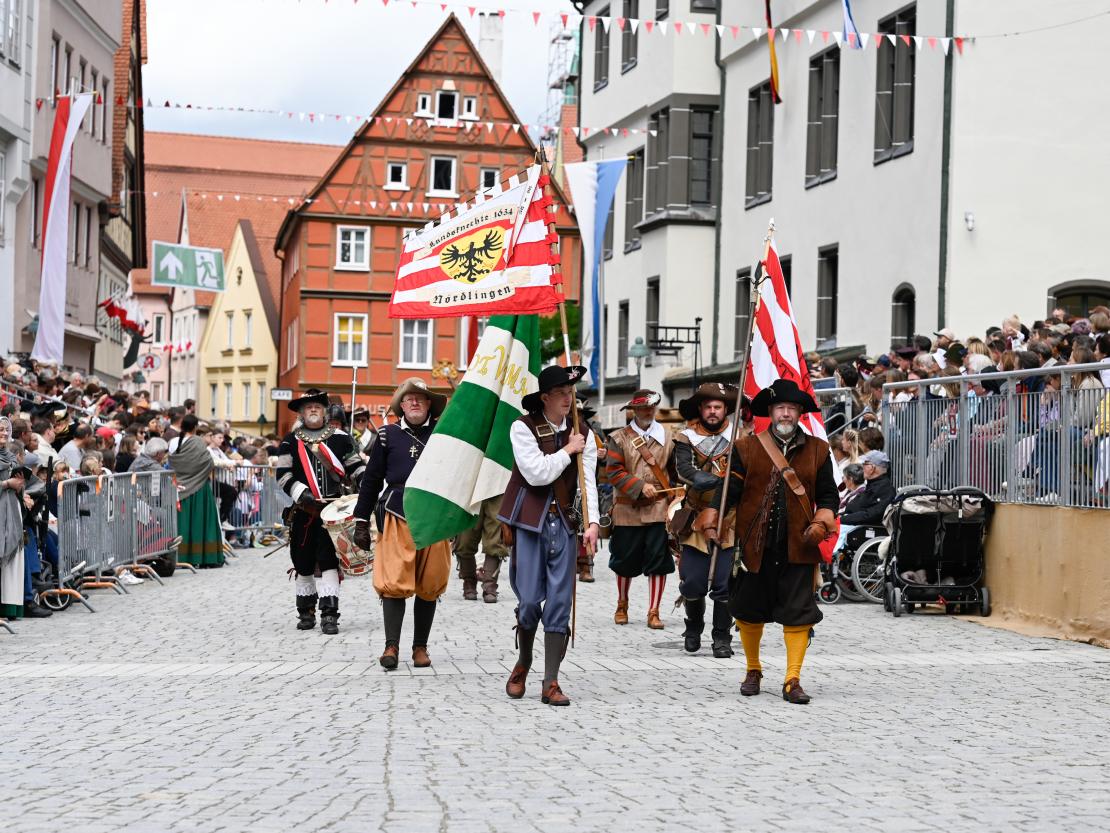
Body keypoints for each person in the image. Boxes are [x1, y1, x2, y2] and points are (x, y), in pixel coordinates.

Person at [695, 379, 839, 705]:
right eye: (780, 408)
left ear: (800, 412)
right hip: (754, 546)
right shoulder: (746, 448)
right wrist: (713, 516)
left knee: (799, 613)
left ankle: (793, 679)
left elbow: (829, 495)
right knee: (748, 611)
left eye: (791, 408)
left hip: (799, 544)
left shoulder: (819, 450)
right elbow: (728, 489)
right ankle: (753, 669)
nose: (785, 413)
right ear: (771, 412)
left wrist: (822, 520)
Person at [499, 365, 599, 707]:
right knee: (528, 601)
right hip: (531, 523)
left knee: (559, 602)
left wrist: (593, 523)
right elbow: (537, 474)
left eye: (571, 393)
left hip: (566, 525)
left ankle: (551, 681)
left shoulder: (583, 431)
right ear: (545, 398)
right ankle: (523, 662)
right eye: (562, 394)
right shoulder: (522, 428)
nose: (568, 399)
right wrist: (568, 450)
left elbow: (588, 483)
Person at [353, 379, 451, 666]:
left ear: (429, 404)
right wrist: (361, 520)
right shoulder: (387, 435)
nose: (416, 403)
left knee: (431, 580)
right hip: (397, 513)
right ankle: (391, 647)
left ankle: (420, 648)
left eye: (421, 398)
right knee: (394, 580)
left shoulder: (444, 435)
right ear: (402, 405)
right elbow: (371, 480)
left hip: (434, 516)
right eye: (410, 399)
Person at [276, 389, 365, 635]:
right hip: (303, 511)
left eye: (317, 405)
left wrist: (366, 481)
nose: (313, 409)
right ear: (301, 413)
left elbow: (355, 466)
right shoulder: (289, 441)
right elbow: (282, 475)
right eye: (308, 406)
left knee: (328, 562)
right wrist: (299, 492)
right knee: (302, 562)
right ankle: (306, 612)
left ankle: (329, 615)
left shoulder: (340, 438)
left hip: (333, 512)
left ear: (324, 411)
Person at [672, 382, 742, 658]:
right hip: (697, 516)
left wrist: (731, 484)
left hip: (730, 517)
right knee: (693, 582)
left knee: (725, 582)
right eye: (708, 407)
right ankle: (693, 627)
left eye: (718, 407)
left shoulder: (740, 437)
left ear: (726, 409)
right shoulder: (686, 437)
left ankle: (721, 637)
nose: (713, 412)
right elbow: (684, 470)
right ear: (700, 409)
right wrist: (716, 480)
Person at [604, 389, 675, 630]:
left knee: (659, 561)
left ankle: (654, 611)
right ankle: (622, 604)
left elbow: (674, 473)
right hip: (627, 510)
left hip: (658, 510)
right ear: (633, 410)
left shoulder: (668, 436)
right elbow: (613, 471)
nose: (647, 411)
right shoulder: (618, 437)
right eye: (642, 407)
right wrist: (638, 486)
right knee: (624, 560)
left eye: (650, 407)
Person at [168, 415, 224, 568]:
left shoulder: (173, 442)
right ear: (195, 427)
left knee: (183, 523)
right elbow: (208, 462)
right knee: (202, 522)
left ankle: (181, 556)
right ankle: (206, 556)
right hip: (199, 486)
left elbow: (172, 462)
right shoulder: (198, 442)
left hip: (180, 487)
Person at [0, 418, 30, 619]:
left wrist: (23, 492)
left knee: (13, 561)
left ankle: (11, 606)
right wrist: (6, 484)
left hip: (12, 508)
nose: (3, 433)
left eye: (5, 429)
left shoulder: (10, 456)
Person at [454, 494, 508, 603]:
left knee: (496, 540)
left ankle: (490, 585)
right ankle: (469, 582)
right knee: (464, 540)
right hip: (471, 486)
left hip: (498, 486)